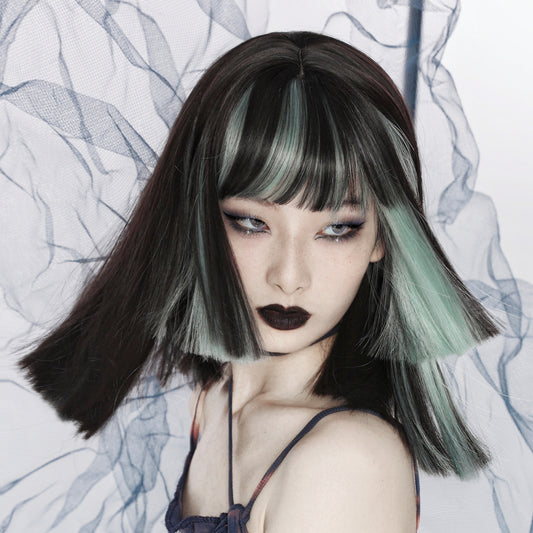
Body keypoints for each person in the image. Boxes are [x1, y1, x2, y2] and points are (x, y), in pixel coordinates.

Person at [18, 31, 498, 532]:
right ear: (198, 217)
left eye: (337, 229)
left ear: (384, 238)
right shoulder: (214, 398)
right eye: (252, 222)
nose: (288, 277)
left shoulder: (346, 461)